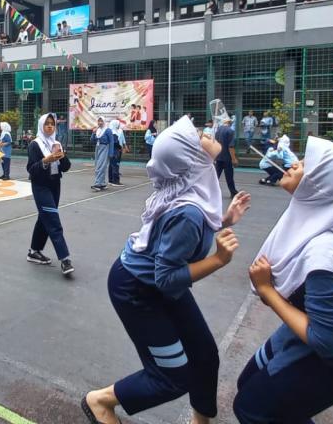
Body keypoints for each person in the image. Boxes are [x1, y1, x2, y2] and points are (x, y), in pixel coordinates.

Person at [82, 116, 248, 424]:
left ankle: (200, 420)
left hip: (156, 282)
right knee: (172, 377)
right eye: (199, 135)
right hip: (136, 289)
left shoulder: (190, 188)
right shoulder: (187, 212)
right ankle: (100, 401)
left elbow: (182, 239)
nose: (207, 133)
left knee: (204, 355)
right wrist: (218, 260)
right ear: (193, 157)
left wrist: (224, 221)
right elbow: (168, 278)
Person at [234, 137, 333, 424]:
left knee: (252, 408)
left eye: (308, 164)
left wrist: (268, 291)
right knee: (250, 384)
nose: (295, 163)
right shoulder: (325, 221)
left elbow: (327, 341)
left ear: (328, 184)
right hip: (319, 327)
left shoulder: (327, 254)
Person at [25, 113, 74, 275]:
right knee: (53, 221)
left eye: (52, 124)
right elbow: (31, 169)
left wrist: (62, 157)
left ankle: (33, 251)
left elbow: (65, 167)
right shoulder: (35, 144)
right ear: (41, 125)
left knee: (44, 218)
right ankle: (65, 259)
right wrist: (47, 160)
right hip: (41, 186)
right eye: (46, 124)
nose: (50, 126)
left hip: (55, 185)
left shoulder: (56, 143)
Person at [213, 117, 238, 197]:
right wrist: (234, 159)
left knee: (216, 175)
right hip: (227, 157)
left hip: (219, 156)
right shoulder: (230, 131)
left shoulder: (218, 130)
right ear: (229, 122)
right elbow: (231, 146)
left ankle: (209, 190)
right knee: (229, 176)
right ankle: (233, 192)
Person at [92, 117, 112, 191]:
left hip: (105, 148)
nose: (100, 123)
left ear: (104, 122)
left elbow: (111, 141)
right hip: (97, 148)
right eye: (98, 121)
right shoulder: (97, 130)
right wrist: (93, 133)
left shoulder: (108, 130)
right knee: (98, 165)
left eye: (101, 121)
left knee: (100, 166)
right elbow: (92, 140)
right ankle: (102, 183)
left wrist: (110, 153)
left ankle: (97, 184)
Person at [109, 119, 127, 187]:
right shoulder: (114, 133)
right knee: (115, 166)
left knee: (111, 166)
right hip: (115, 151)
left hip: (111, 151)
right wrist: (120, 147)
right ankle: (115, 181)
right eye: (118, 124)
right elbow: (116, 142)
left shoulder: (110, 131)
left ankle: (111, 180)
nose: (119, 125)